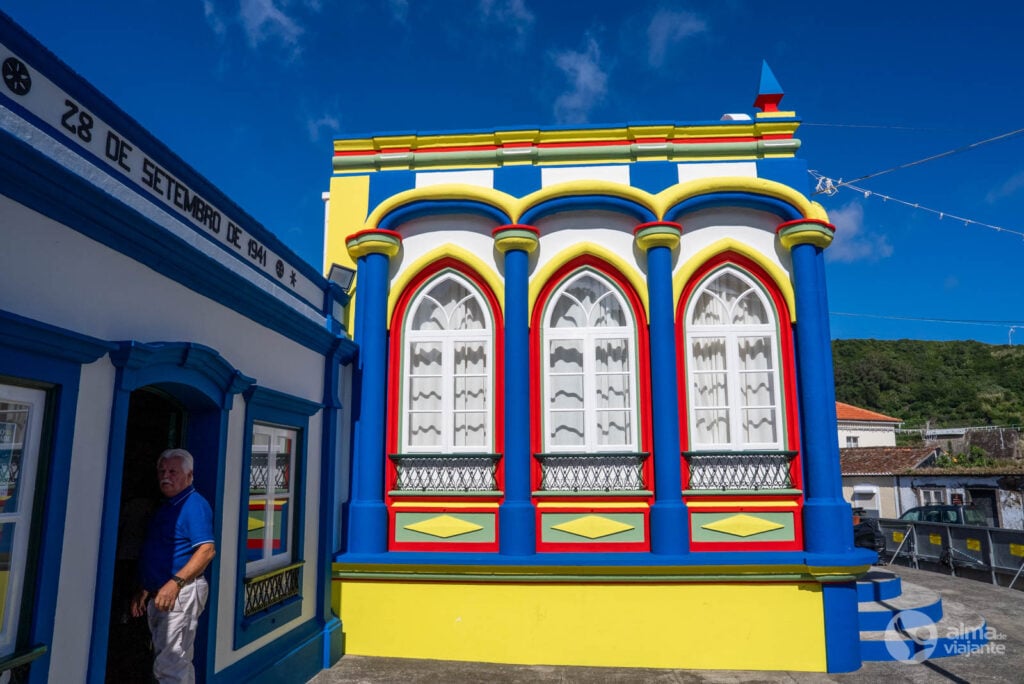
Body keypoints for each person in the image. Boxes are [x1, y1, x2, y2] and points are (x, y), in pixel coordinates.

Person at [130, 448, 216, 683]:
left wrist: (175, 583)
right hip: (161, 593)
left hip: (180, 592)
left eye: (173, 472)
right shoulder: (168, 505)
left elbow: (207, 551)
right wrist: (146, 587)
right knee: (171, 660)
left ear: (189, 476)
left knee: (171, 663)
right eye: (162, 471)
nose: (165, 476)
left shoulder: (193, 505)